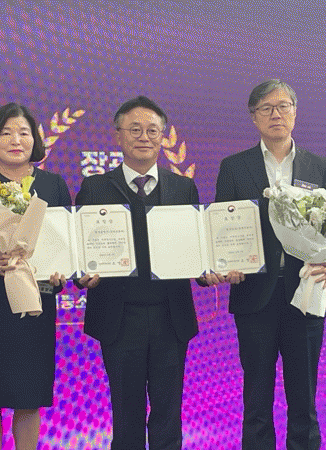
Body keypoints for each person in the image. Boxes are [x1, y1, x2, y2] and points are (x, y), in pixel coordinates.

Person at [213, 79, 326, 450]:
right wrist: (224, 263)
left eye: (283, 106)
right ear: (254, 117)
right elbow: (221, 226)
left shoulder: (318, 166)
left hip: (304, 293)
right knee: (256, 400)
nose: (275, 114)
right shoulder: (234, 167)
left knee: (304, 399)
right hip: (253, 295)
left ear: (295, 112)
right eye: (266, 108)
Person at [76, 96, 199, 450]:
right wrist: (81, 274)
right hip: (119, 318)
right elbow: (81, 250)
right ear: (118, 135)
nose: (144, 137)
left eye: (152, 130)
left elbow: (195, 249)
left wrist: (210, 270)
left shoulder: (183, 188)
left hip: (170, 317)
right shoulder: (95, 188)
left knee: (168, 413)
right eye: (134, 129)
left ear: (163, 137)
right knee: (126, 414)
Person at [0, 103, 71, 450]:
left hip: (34, 302)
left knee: (28, 393)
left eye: (23, 133)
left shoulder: (52, 185)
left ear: (35, 140)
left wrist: (60, 273)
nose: (16, 140)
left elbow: (64, 241)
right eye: (6, 133)